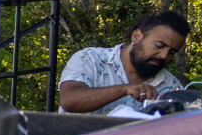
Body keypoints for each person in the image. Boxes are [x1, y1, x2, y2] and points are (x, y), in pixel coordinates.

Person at [58, 10, 191, 113]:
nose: (164, 55)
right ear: (136, 37)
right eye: (159, 46)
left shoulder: (171, 86)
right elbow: (69, 101)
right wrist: (125, 89)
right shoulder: (90, 59)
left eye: (172, 52)